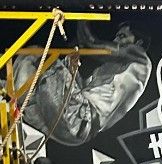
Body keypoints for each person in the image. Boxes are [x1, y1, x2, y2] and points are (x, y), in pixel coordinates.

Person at [13, 22, 152, 146]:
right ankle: (15, 99)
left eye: (122, 36)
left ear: (138, 43)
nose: (116, 40)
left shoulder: (141, 58)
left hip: (80, 121)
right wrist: (71, 68)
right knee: (29, 59)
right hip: (70, 130)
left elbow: (89, 42)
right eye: (116, 36)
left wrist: (82, 13)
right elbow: (80, 91)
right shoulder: (104, 71)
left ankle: (15, 96)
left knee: (38, 54)